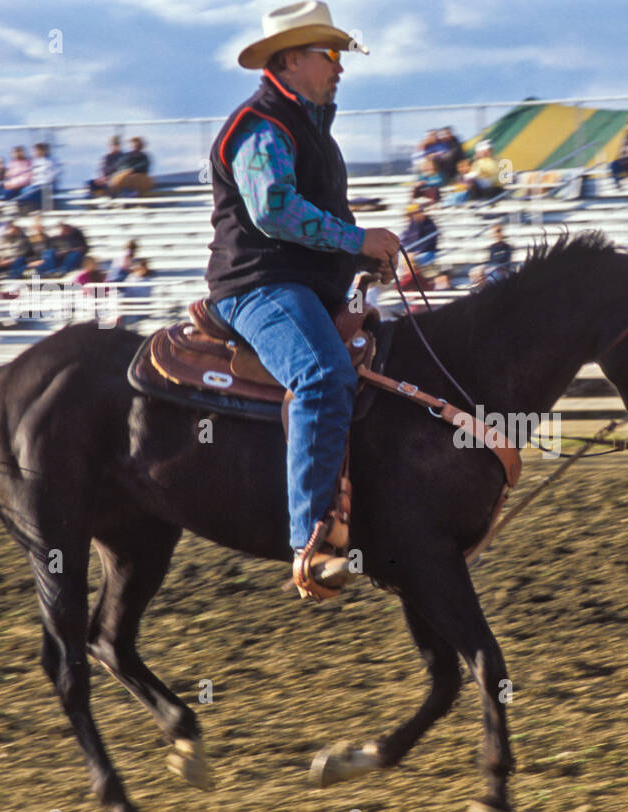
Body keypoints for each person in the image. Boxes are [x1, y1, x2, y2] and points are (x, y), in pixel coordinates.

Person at [205, 2, 399, 599]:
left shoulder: (310, 128)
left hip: (303, 285)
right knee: (321, 377)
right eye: (329, 53)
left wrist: (360, 255)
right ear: (292, 59)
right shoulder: (263, 124)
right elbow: (272, 210)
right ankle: (311, 543)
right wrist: (357, 239)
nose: (340, 66)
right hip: (259, 285)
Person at [15, 142, 61, 211]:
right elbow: (31, 173)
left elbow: (56, 172)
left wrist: (49, 180)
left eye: (37, 150)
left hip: (46, 184)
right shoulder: (34, 161)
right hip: (36, 184)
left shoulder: (52, 160)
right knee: (22, 193)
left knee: (39, 193)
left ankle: (43, 210)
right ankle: (24, 210)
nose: (36, 152)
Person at [400, 201, 439, 267]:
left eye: (413, 214)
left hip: (427, 252)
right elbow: (406, 239)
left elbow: (429, 243)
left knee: (410, 260)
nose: (411, 217)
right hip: (411, 252)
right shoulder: (413, 225)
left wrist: (416, 252)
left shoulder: (429, 225)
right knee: (398, 258)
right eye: (410, 215)